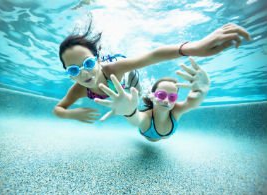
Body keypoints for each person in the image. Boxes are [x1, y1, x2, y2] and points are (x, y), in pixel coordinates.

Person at [53, 22, 251, 123]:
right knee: (129, 107)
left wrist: (194, 47)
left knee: (145, 99)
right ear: (68, 73)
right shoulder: (78, 89)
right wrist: (73, 114)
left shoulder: (113, 68)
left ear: (97, 58)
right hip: (120, 97)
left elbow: (152, 56)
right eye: (73, 69)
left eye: (88, 63)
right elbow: (58, 109)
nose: (83, 73)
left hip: (131, 82)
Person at [94, 57, 210, 142]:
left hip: (164, 134)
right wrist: (129, 112)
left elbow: (192, 103)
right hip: (150, 135)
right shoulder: (147, 118)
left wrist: (201, 92)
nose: (166, 101)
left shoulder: (175, 110)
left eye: (172, 97)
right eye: (161, 95)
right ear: (152, 96)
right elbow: (137, 120)